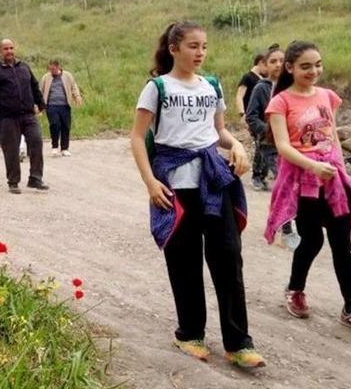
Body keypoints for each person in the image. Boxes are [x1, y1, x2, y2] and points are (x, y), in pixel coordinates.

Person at [129, 20, 264, 368]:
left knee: (229, 258)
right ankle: (189, 333)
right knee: (185, 263)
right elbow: (137, 137)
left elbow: (218, 131)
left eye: (203, 46)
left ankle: (239, 343)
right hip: (175, 188)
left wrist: (237, 146)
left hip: (214, 182)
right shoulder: (157, 87)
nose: (200, 52)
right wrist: (149, 182)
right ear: (173, 49)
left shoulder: (212, 86)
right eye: (192, 46)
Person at [264, 41, 351, 340]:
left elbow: (333, 137)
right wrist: (313, 167)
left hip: (333, 180)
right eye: (305, 66)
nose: (313, 71)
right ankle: (295, 289)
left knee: (343, 243)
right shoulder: (280, 102)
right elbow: (283, 146)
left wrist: (339, 169)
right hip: (303, 183)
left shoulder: (327, 96)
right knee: (312, 239)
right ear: (289, 68)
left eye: (318, 64)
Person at [246, 45, 301, 250]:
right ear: (265, 65)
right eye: (273, 61)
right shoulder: (262, 88)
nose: (278, 64)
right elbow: (252, 116)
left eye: (281, 60)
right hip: (271, 146)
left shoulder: (293, 87)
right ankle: (286, 229)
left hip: (295, 145)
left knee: (299, 185)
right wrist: (270, 133)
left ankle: (298, 222)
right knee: (284, 183)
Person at [0, 39, 47, 194]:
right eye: (5, 49)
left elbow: (34, 86)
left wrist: (41, 104)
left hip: (28, 115)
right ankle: (13, 181)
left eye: (11, 48)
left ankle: (35, 178)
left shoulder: (24, 67)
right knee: (11, 150)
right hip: (8, 117)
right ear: (0, 51)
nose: (9, 51)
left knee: (36, 141)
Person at [237, 52, 269, 190]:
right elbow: (239, 96)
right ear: (261, 63)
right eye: (268, 65)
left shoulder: (264, 80)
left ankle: (263, 176)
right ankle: (257, 177)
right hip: (253, 117)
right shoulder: (248, 77)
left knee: (266, 146)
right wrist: (242, 114)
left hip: (265, 118)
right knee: (260, 145)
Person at [40, 60, 83, 157]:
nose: (52, 71)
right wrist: (39, 106)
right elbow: (40, 91)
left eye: (53, 69)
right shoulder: (46, 77)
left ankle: (64, 148)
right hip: (51, 105)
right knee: (54, 124)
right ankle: (54, 147)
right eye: (50, 69)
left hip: (64, 105)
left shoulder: (67, 75)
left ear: (58, 67)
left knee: (65, 126)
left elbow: (73, 87)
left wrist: (77, 96)